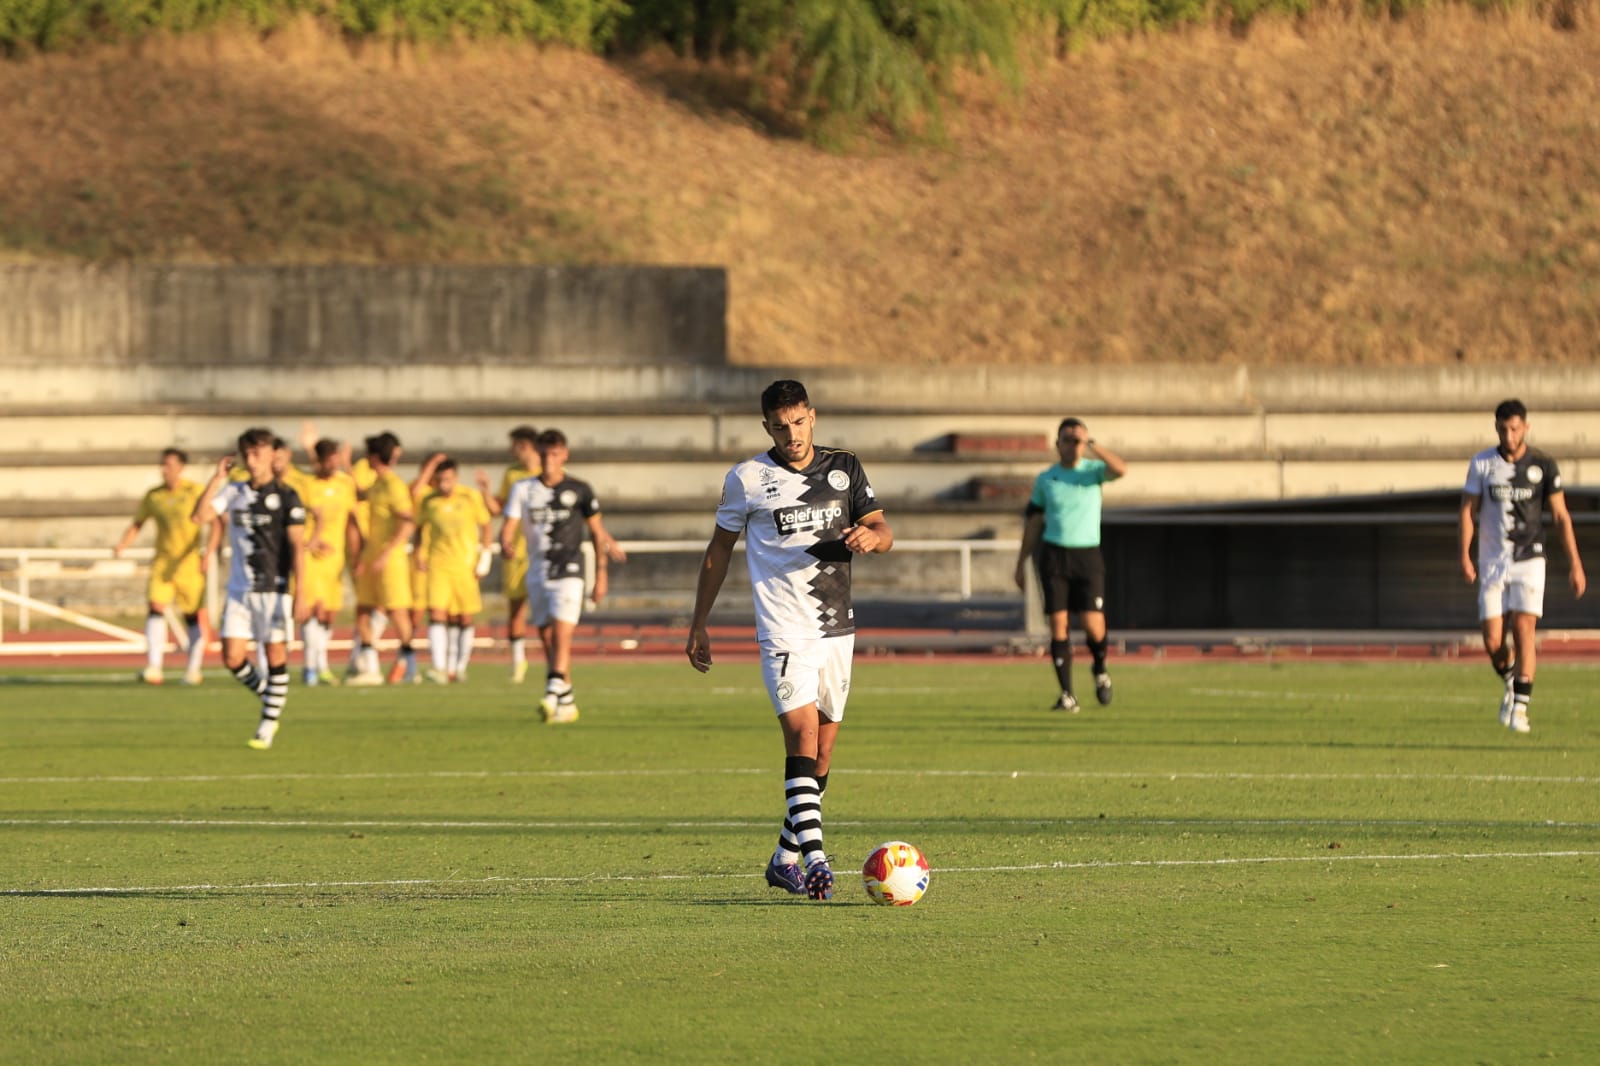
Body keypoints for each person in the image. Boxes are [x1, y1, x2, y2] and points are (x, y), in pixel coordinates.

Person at [685, 379, 894, 902]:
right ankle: (817, 858)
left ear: (812, 417)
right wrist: (699, 622)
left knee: (821, 756)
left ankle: (783, 858)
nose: (791, 434)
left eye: (799, 422)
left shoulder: (845, 467)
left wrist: (873, 537)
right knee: (800, 740)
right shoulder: (748, 478)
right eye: (780, 426)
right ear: (767, 427)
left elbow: (882, 527)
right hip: (782, 628)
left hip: (836, 628)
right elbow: (718, 552)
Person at [1459, 398, 1586, 734]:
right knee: (1492, 639)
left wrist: (1575, 564)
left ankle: (1520, 709)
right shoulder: (1482, 464)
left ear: (1525, 427)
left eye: (1515, 428)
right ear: (1496, 428)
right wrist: (1465, 555)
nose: (1509, 435)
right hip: (1492, 561)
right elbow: (1467, 511)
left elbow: (1560, 516)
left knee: (1524, 629)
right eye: (1503, 428)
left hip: (1530, 559)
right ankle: (1511, 679)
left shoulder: (1543, 465)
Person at [193, 428, 309, 750]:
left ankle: (267, 726)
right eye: (248, 454)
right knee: (232, 657)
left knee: (275, 655)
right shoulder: (234, 492)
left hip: (274, 589)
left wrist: (302, 592)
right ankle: (270, 698)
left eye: (259, 453)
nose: (253, 460)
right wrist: (217, 479)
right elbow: (199, 515)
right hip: (239, 591)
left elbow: (298, 548)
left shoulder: (287, 497)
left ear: (273, 456)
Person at [500, 429, 626, 722]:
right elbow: (507, 527)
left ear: (565, 455)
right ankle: (566, 701)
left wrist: (601, 575)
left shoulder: (580, 489)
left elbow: (597, 532)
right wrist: (505, 543)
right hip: (537, 569)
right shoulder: (523, 489)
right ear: (536, 455)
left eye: (554, 454)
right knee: (546, 637)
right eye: (543, 454)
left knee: (561, 633)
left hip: (570, 570)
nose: (548, 460)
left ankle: (551, 691)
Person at [1014, 417, 1128, 713]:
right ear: (1057, 444)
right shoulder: (1047, 479)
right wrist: (1021, 561)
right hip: (1054, 556)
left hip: (1087, 556)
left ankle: (1100, 669)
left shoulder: (1093, 472)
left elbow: (1121, 469)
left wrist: (1092, 444)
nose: (1073, 445)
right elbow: (1034, 522)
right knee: (1059, 625)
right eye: (1067, 439)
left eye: (1077, 440)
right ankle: (1067, 694)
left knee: (1093, 625)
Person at [113, 448, 209, 685]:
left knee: (192, 616)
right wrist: (122, 545)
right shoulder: (154, 496)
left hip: (189, 564)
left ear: (181, 467)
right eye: (163, 465)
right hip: (163, 561)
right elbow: (138, 523)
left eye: (170, 465)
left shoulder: (195, 491)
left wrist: (210, 551)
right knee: (156, 608)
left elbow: (217, 522)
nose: (165, 470)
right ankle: (154, 667)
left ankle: (193, 669)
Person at [414, 454, 494, 682]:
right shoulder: (429, 501)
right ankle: (439, 667)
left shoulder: (470, 497)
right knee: (437, 614)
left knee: (464, 617)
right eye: (439, 480)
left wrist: (484, 557)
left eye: (448, 480)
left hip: (465, 565)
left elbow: (486, 526)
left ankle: (458, 666)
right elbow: (420, 528)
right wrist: (420, 553)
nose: (443, 485)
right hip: (439, 565)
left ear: (456, 478)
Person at [293, 436, 362, 687]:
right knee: (312, 610)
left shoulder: (345, 484)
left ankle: (319, 664)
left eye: (337, 461)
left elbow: (352, 521)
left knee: (328, 614)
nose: (333, 466)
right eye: (329, 461)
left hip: (335, 558)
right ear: (318, 461)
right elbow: (294, 522)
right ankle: (313, 667)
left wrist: (356, 555)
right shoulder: (305, 485)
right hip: (310, 557)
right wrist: (310, 541)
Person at [350, 432, 417, 685]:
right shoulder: (377, 484)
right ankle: (370, 668)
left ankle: (408, 664)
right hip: (371, 556)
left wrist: (387, 553)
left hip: (390, 561)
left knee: (397, 611)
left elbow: (407, 523)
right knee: (362, 610)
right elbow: (357, 493)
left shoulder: (393, 485)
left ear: (375, 457)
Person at [491, 425, 542, 682]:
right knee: (516, 609)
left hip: (543, 554)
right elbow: (499, 507)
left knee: (549, 611)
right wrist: (483, 491)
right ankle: (517, 663)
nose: (511, 451)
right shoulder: (512, 475)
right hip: (516, 552)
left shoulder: (550, 474)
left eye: (514, 445)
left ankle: (554, 661)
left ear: (525, 445)